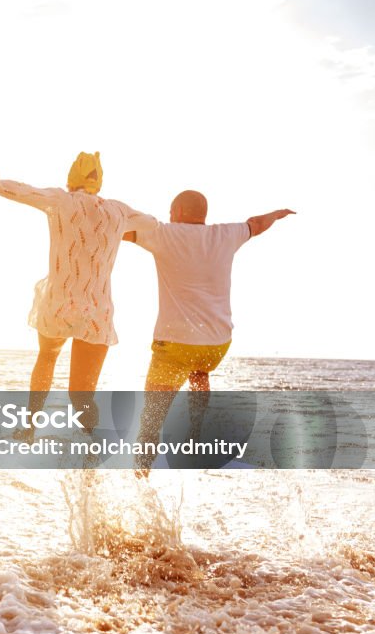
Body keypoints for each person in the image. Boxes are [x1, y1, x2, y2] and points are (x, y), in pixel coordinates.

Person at [0, 152, 157, 436]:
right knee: (81, 396)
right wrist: (117, 231)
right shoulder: (118, 211)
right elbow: (152, 224)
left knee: (47, 358)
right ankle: (91, 448)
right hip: (96, 312)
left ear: (71, 179)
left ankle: (30, 426)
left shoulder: (62, 200)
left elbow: (22, 191)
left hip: (59, 306)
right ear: (99, 180)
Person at [124, 190, 295, 476]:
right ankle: (194, 430)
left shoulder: (164, 233)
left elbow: (124, 234)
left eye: (171, 211)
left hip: (175, 344)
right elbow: (255, 223)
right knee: (200, 371)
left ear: (176, 211)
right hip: (217, 343)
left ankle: (141, 473)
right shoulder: (225, 234)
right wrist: (276, 215)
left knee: (151, 417)